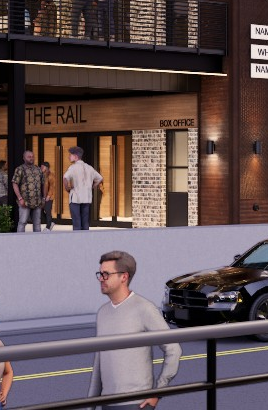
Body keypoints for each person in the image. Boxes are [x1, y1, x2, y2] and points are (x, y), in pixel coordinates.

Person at [87, 250, 179, 409]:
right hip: (107, 403)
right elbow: (99, 361)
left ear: (124, 277)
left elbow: (173, 349)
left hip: (136, 404)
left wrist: (158, 392)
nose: (101, 279)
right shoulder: (102, 313)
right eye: (100, 274)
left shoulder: (144, 309)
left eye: (106, 274)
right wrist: (92, 404)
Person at [63, 145, 103, 231]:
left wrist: (67, 189)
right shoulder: (89, 167)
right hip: (86, 197)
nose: (69, 156)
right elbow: (100, 178)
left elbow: (65, 178)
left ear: (76, 156)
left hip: (75, 198)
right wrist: (92, 187)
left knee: (76, 222)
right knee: (85, 223)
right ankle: (86, 241)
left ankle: (77, 242)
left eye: (70, 155)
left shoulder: (73, 167)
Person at [11, 150, 45, 233]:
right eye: (29, 157)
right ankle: (20, 242)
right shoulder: (20, 169)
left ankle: (37, 243)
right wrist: (20, 198)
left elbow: (43, 184)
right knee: (22, 222)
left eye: (32, 156)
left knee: (37, 224)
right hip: (25, 202)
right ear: (24, 158)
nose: (31, 158)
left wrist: (43, 198)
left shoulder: (38, 169)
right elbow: (14, 183)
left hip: (37, 202)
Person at [40, 161, 57, 229]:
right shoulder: (41, 175)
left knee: (47, 210)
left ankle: (48, 226)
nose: (41, 168)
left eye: (42, 167)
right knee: (41, 211)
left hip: (49, 197)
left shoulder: (51, 175)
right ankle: (51, 221)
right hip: (42, 196)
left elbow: (52, 187)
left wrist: (49, 196)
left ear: (46, 168)